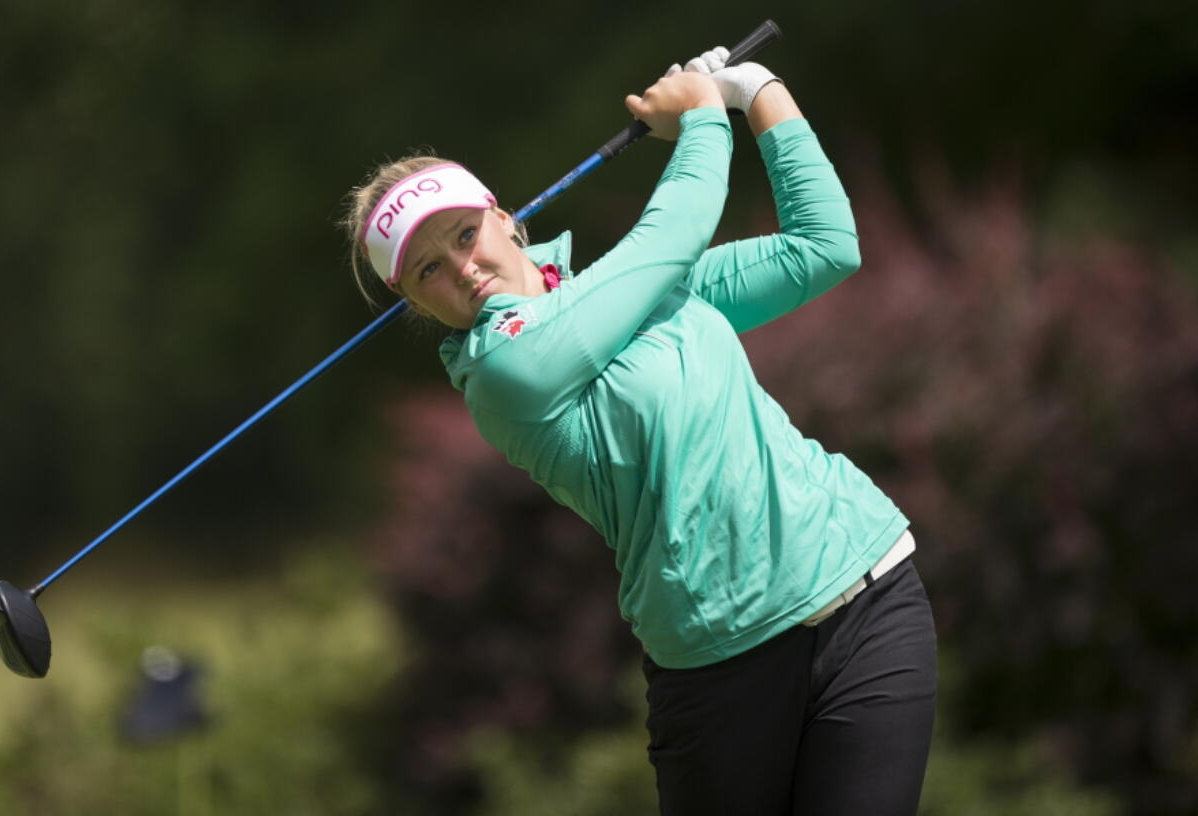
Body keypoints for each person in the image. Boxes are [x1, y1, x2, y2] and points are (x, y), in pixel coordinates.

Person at [343, 49, 937, 816]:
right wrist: (700, 117)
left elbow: (823, 247)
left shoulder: (645, 292)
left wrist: (754, 91)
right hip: (724, 672)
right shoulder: (503, 374)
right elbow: (669, 236)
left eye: (461, 235)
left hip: (867, 594)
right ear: (417, 307)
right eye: (426, 271)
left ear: (502, 216)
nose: (458, 268)